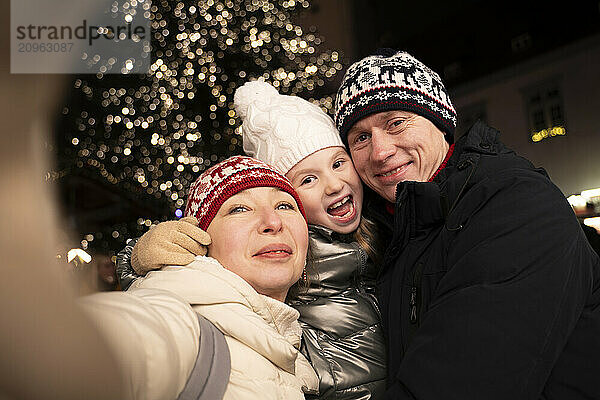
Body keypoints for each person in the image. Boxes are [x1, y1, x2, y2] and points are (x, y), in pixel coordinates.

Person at [333, 49, 600, 399]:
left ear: (441, 124)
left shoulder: (515, 203)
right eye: (360, 138)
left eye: (396, 122)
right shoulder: (395, 232)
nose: (380, 152)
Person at [119, 81, 387, 399]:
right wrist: (137, 260)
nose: (272, 223)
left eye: (339, 164)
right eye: (308, 179)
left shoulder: (380, 232)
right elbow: (151, 324)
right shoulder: (210, 317)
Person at [82, 155, 319, 400]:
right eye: (239, 209)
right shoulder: (184, 326)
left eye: (285, 206)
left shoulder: (300, 357)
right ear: (198, 240)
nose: (273, 221)